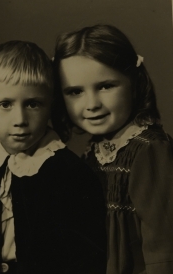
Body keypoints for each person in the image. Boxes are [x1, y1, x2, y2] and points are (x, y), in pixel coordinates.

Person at [0, 40, 107, 274]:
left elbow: (85, 258)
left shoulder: (69, 173)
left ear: (50, 105)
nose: (20, 119)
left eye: (33, 104)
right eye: (5, 104)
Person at [52, 24, 173, 274]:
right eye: (75, 92)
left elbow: (163, 247)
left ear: (134, 82)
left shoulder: (148, 150)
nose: (92, 104)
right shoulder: (93, 154)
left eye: (105, 86)